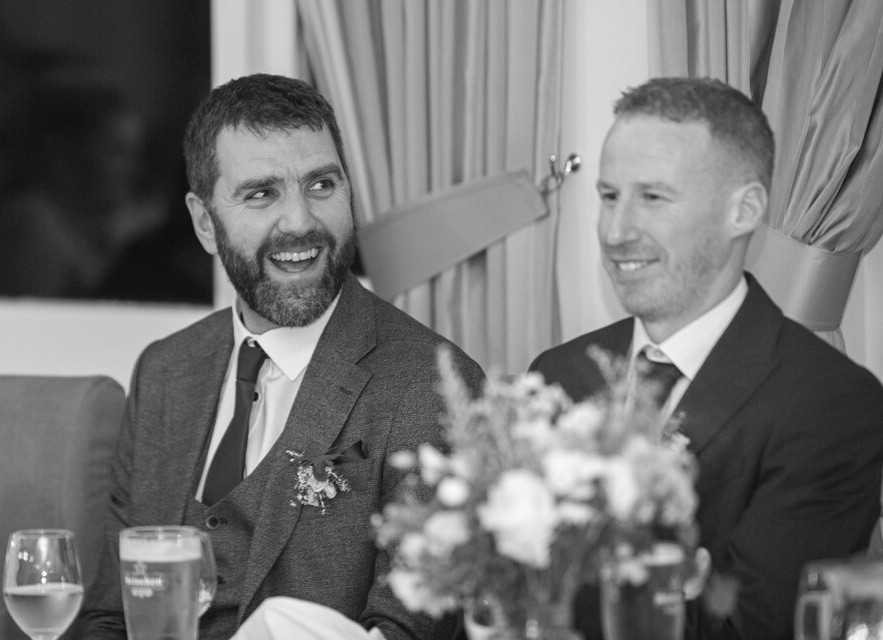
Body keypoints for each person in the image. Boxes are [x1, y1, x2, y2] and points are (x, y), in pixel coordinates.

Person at [77, 73, 485, 640]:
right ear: (204, 223)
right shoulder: (165, 372)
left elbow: (406, 632)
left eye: (321, 185)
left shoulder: (431, 386)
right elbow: (109, 616)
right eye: (261, 193)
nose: (300, 221)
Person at [530, 77, 883, 640]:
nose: (616, 231)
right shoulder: (558, 375)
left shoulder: (831, 404)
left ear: (743, 211)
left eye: (653, 198)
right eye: (609, 196)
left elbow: (749, 628)